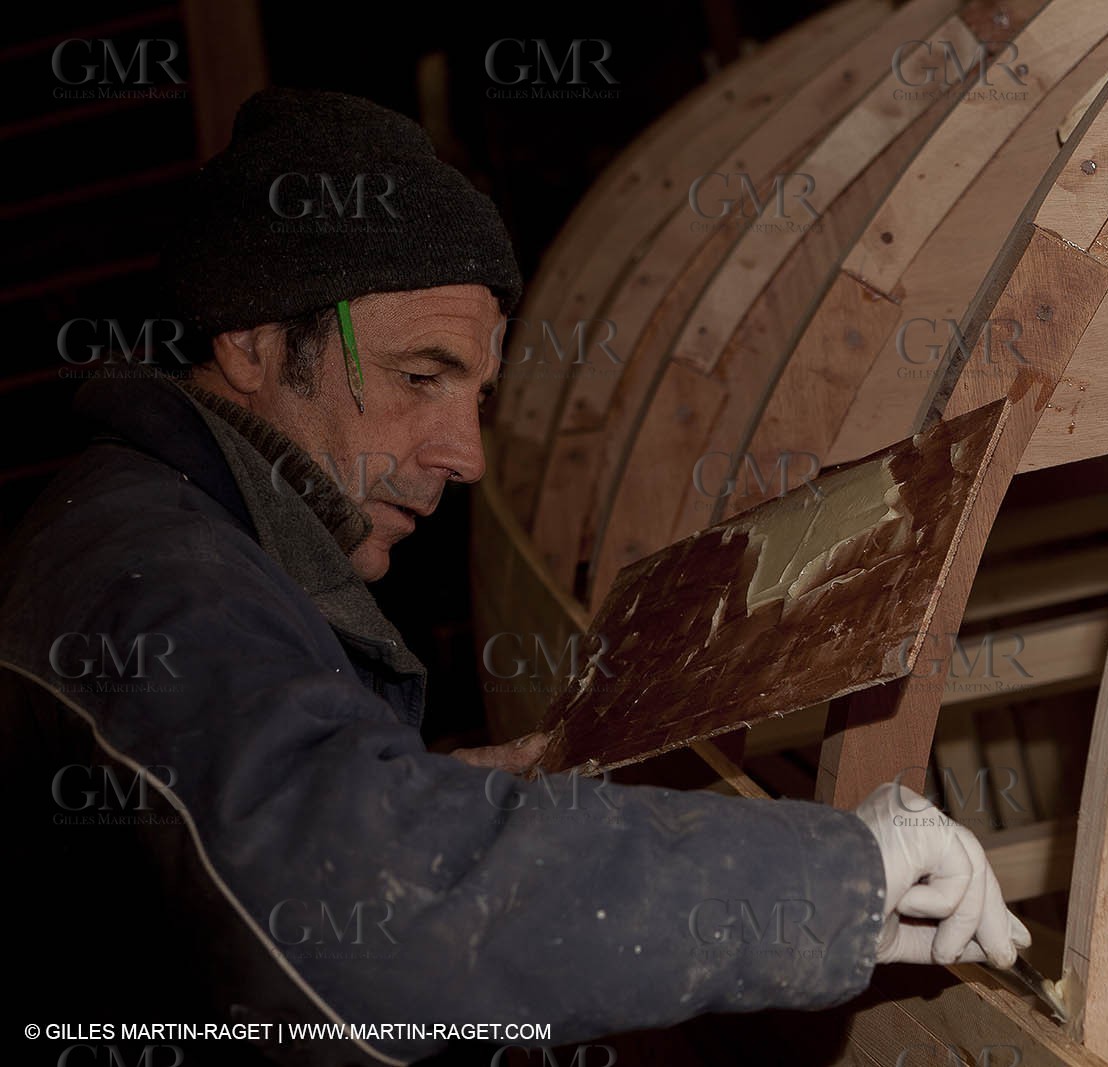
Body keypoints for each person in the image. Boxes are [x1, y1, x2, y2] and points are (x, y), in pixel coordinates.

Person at [0, 88, 1024, 1066]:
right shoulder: (150, 582)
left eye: (476, 393)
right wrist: (836, 876)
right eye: (418, 377)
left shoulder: (173, 528)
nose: (467, 454)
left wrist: (440, 787)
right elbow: (360, 915)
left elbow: (244, 830)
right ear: (253, 342)